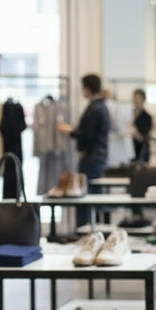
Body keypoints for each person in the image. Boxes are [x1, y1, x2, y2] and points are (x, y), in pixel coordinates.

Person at [58, 73, 110, 230]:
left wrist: (70, 130)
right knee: (93, 198)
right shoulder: (101, 107)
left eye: (83, 88)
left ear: (88, 88)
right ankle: (90, 233)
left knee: (86, 200)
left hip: (91, 159)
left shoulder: (95, 109)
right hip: (97, 158)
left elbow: (87, 136)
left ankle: (84, 233)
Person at [131, 88, 154, 163]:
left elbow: (143, 138)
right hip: (129, 152)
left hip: (141, 154)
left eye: (138, 98)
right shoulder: (129, 114)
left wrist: (134, 131)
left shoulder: (147, 117)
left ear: (143, 100)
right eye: (134, 98)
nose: (136, 101)